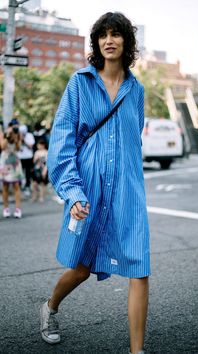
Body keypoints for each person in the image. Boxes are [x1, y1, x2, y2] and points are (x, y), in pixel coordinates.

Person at [40, 12, 150, 354]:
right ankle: (50, 307)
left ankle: (137, 350)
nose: (109, 40)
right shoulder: (79, 83)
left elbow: (134, 141)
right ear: (96, 42)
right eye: (103, 34)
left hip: (128, 191)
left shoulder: (137, 91)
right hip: (87, 186)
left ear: (126, 42)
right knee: (81, 268)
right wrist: (73, 191)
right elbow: (61, 142)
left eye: (116, 34)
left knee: (140, 267)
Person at [0, 121, 24, 218]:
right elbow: (3, 146)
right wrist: (7, 135)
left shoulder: (18, 134)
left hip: (15, 162)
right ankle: (6, 208)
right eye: (13, 127)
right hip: (5, 161)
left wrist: (16, 138)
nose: (15, 129)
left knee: (16, 185)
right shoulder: (4, 133)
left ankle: (18, 209)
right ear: (9, 127)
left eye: (16, 127)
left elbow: (18, 148)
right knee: (5, 186)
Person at [18, 124, 35, 196]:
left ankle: (27, 186)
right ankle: (20, 187)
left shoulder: (29, 135)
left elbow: (31, 146)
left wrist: (24, 140)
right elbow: (17, 147)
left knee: (28, 172)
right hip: (20, 157)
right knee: (20, 172)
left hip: (28, 157)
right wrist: (20, 140)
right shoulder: (18, 135)